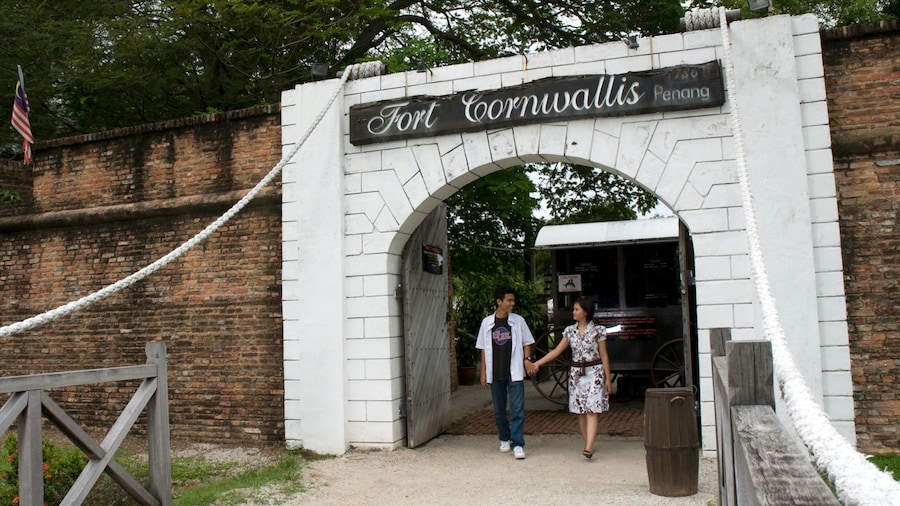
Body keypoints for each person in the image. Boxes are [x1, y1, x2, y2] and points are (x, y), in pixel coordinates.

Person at [526, 296, 612, 459]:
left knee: (592, 409)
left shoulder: (598, 331)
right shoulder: (569, 331)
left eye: (576, 309)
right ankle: (588, 443)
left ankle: (589, 446)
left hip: (595, 371)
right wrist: (537, 363)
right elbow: (556, 351)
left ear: (585, 312)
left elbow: (604, 355)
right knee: (581, 410)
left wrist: (608, 378)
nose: (574, 312)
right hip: (576, 374)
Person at [475, 285, 535, 460]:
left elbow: (527, 342)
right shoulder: (487, 323)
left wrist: (527, 360)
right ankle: (504, 438)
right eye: (509, 300)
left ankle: (517, 444)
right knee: (499, 410)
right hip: (496, 372)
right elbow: (483, 349)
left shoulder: (518, 321)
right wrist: (483, 372)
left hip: (514, 372)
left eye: (513, 300)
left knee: (517, 410)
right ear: (499, 302)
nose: (512, 303)